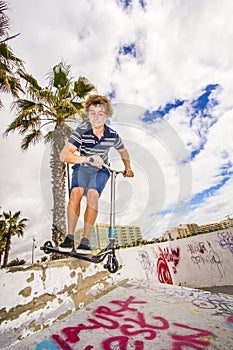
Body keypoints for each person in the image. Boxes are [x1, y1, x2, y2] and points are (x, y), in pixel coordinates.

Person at [59, 94, 134, 253]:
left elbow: (123, 151)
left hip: (101, 170)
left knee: (93, 195)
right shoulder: (81, 130)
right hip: (83, 166)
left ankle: (85, 240)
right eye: (92, 112)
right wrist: (88, 159)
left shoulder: (112, 135)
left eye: (100, 113)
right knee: (76, 193)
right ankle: (70, 237)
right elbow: (64, 155)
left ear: (107, 116)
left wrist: (128, 167)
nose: (96, 117)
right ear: (88, 113)